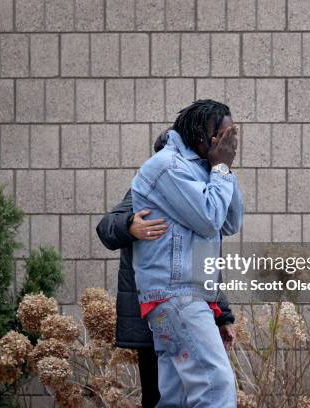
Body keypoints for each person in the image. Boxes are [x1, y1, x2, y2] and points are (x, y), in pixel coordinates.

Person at [96, 130, 236, 408]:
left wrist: (224, 316)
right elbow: (106, 226)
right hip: (155, 313)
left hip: (186, 308)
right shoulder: (149, 191)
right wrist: (130, 226)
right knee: (161, 394)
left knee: (184, 393)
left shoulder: (192, 195)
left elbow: (200, 263)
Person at [131, 99, 243, 407]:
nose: (228, 143)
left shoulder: (201, 168)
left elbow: (230, 222)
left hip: (182, 298)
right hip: (175, 295)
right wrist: (220, 168)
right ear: (201, 133)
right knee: (215, 383)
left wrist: (222, 169)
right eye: (222, 135)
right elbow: (208, 220)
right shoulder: (168, 166)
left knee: (178, 395)